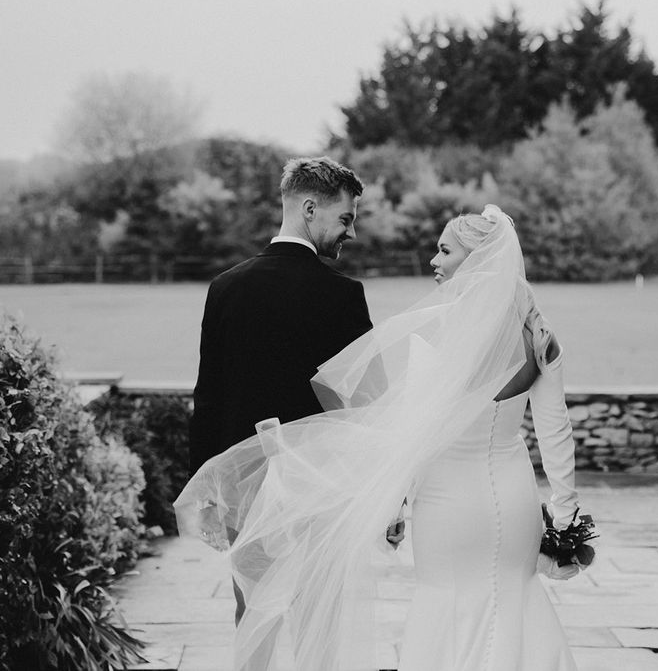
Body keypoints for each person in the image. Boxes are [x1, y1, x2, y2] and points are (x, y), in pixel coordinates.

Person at [176, 204, 591, 671]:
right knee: (516, 596)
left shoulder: (442, 335)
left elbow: (411, 432)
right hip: (515, 495)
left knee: (444, 600)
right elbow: (556, 432)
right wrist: (566, 519)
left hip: (447, 499)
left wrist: (391, 503)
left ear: (476, 261)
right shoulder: (539, 335)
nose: (434, 261)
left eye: (444, 250)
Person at [188, 156, 374, 634]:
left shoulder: (225, 287)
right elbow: (362, 404)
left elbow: (209, 393)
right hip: (320, 483)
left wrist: (207, 483)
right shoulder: (344, 295)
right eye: (345, 218)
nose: (350, 233)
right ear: (309, 208)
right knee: (318, 618)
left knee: (252, 612)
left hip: (245, 482)